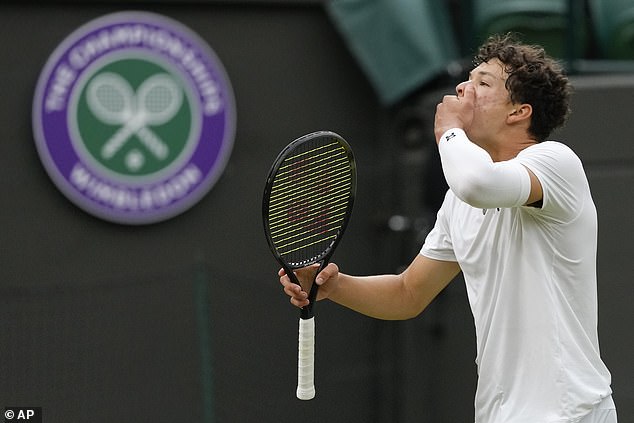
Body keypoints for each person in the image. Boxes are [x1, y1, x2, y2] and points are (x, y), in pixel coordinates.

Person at [279, 34, 617, 422]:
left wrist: (449, 131)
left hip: (568, 411)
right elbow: (408, 293)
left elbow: (476, 183)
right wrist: (333, 286)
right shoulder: (459, 201)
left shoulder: (556, 163)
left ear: (518, 112)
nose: (462, 89)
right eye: (467, 79)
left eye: (483, 83)